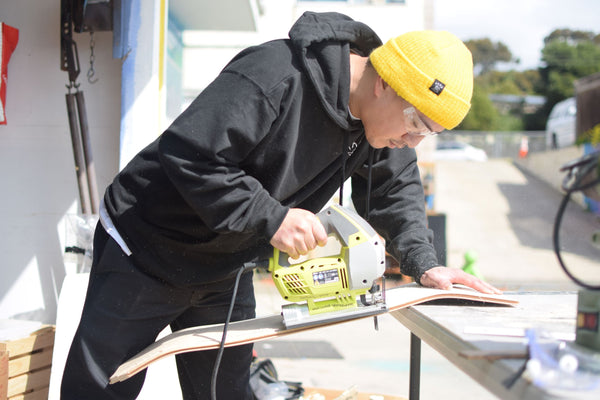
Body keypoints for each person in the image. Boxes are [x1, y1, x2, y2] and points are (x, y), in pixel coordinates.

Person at [61, 11, 501, 400]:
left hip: (225, 266)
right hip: (146, 246)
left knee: (225, 392)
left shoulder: (380, 123)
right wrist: (272, 217)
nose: (413, 140)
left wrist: (424, 263)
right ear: (384, 82)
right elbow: (191, 154)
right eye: (416, 123)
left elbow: (397, 189)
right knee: (101, 389)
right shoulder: (276, 74)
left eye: (430, 132)